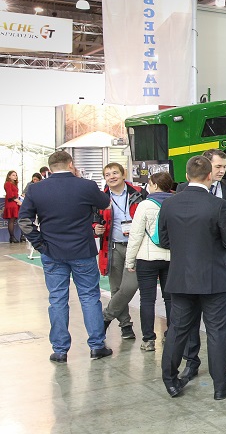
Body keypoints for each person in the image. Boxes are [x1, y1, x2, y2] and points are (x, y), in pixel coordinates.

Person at [159, 156, 226, 400]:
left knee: (177, 330)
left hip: (181, 277)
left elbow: (164, 240)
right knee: (217, 332)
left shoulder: (169, 204)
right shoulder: (217, 205)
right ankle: (221, 386)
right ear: (209, 176)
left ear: (186, 176)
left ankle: (171, 381)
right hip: (214, 278)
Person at [17, 151, 113, 362]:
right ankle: (97, 346)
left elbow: (24, 221)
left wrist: (39, 243)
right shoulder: (85, 186)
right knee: (89, 297)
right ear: (71, 164)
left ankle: (60, 350)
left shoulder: (35, 189)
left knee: (57, 299)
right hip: (83, 251)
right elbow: (105, 202)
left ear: (50, 168)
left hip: (52, 252)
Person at [179, 149, 226, 383]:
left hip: (223, 260)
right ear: (206, 167)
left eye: (224, 167)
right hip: (194, 261)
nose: (221, 171)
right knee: (191, 316)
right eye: (218, 167)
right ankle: (191, 361)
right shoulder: (184, 189)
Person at [96, 162, 147, 340]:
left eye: (115, 173)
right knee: (116, 288)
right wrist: (95, 228)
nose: (112, 177)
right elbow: (93, 219)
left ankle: (105, 317)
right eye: (107, 174)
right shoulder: (101, 198)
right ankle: (126, 326)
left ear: (123, 174)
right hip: (113, 246)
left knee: (130, 286)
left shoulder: (139, 194)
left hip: (136, 246)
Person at [124, 172, 174, 352]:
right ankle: (171, 335)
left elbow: (136, 235)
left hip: (147, 258)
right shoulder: (176, 203)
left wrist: (130, 261)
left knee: (147, 299)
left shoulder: (144, 205)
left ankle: (148, 339)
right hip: (171, 258)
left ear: (154, 185)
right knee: (170, 298)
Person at [4, 170, 22, 243]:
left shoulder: (14, 184)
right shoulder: (7, 183)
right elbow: (10, 195)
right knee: (11, 220)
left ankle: (14, 237)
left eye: (16, 175)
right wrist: (18, 201)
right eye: (13, 175)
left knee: (13, 219)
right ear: (9, 176)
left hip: (15, 203)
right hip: (11, 203)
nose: (15, 176)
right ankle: (12, 237)